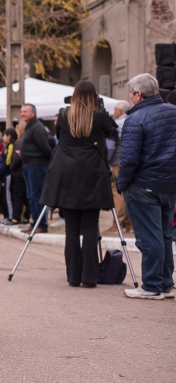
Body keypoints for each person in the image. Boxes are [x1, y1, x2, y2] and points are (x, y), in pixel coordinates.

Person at [40, 80, 117, 288]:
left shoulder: (64, 115)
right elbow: (112, 131)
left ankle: (73, 277)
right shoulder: (100, 116)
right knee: (91, 227)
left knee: (71, 229)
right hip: (91, 173)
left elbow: (59, 136)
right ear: (94, 96)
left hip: (66, 174)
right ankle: (89, 278)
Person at [116, 73, 176, 300]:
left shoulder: (136, 118)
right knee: (164, 235)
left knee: (149, 237)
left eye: (131, 94)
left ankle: (151, 285)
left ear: (138, 95)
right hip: (169, 184)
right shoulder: (173, 112)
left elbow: (129, 158)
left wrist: (122, 183)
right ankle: (165, 283)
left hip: (143, 184)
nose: (130, 98)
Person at [18, 103, 52, 233]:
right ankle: (35, 223)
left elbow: (45, 148)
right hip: (28, 165)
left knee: (36, 195)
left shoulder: (37, 128)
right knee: (31, 196)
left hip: (37, 165)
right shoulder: (29, 127)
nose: (22, 114)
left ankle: (41, 224)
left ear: (33, 113)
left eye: (25, 111)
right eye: (22, 111)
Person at [106, 100, 132, 233]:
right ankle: (129, 224)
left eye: (115, 109)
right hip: (128, 162)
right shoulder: (131, 121)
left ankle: (117, 223)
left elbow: (110, 146)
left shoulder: (116, 125)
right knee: (127, 192)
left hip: (117, 161)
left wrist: (106, 160)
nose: (113, 112)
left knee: (117, 192)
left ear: (120, 111)